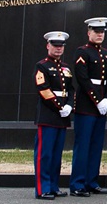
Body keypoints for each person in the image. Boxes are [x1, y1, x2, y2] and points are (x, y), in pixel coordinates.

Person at [71, 17, 107, 197]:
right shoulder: (83, 52)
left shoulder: (105, 54)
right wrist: (97, 100)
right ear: (89, 33)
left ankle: (91, 181)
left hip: (101, 107)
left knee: (96, 146)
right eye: (96, 31)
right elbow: (82, 78)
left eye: (102, 32)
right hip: (87, 106)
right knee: (83, 145)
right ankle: (77, 184)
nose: (100, 34)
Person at [34, 30, 73, 201]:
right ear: (48, 46)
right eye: (55, 46)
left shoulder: (65, 68)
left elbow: (71, 89)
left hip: (62, 116)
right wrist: (60, 106)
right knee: (45, 154)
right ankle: (43, 189)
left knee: (57, 154)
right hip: (49, 115)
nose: (58, 49)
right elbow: (44, 90)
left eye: (61, 46)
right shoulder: (42, 66)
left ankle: (54, 186)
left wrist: (70, 105)